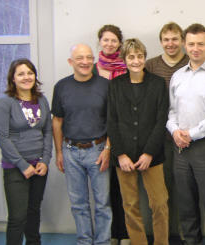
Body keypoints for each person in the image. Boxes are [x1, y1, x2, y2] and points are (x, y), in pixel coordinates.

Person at [166, 23, 205, 245]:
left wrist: (191, 134)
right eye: (191, 44)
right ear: (185, 45)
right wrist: (175, 131)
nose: (195, 48)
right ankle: (190, 242)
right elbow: (171, 111)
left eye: (200, 44)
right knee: (185, 204)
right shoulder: (177, 77)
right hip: (180, 149)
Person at [107, 38, 169, 245]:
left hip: (152, 155)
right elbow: (111, 121)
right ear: (125, 60)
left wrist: (149, 152)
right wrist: (120, 154)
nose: (136, 61)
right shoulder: (115, 86)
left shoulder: (158, 84)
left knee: (160, 203)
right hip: (124, 156)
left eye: (140, 56)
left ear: (144, 57)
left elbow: (162, 120)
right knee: (130, 204)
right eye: (131, 57)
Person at [52, 44, 112, 245]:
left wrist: (108, 149)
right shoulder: (61, 87)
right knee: (79, 204)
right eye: (80, 58)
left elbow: (114, 120)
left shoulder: (105, 85)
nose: (85, 62)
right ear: (71, 62)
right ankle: (84, 241)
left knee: (103, 204)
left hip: (98, 150)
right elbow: (57, 121)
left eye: (89, 57)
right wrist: (59, 152)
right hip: (70, 152)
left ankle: (103, 242)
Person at [0, 59, 52, 245]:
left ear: (35, 76)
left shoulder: (42, 100)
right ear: (13, 78)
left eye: (30, 73)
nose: (26, 77)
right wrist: (22, 165)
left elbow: (48, 132)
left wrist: (45, 160)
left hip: (39, 167)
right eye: (21, 74)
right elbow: (3, 138)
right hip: (15, 168)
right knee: (17, 218)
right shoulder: (5, 103)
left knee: (33, 213)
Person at [145, 22, 189, 242]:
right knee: (162, 190)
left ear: (182, 40)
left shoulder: (191, 62)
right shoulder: (150, 65)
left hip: (187, 136)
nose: (170, 44)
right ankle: (164, 235)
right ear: (161, 41)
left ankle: (182, 234)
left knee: (184, 188)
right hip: (159, 137)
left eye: (175, 39)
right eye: (166, 39)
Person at [92, 24, 129, 245]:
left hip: (122, 133)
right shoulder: (92, 68)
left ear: (119, 44)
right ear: (100, 42)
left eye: (113, 41)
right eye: (105, 40)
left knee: (121, 189)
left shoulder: (127, 67)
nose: (109, 44)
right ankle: (108, 235)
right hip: (99, 134)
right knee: (103, 192)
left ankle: (123, 234)